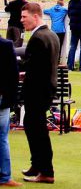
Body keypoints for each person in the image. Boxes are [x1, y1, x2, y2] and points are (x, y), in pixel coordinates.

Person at [19, 1, 59, 183]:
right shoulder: (51, 35)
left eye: (24, 17)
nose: (21, 20)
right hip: (46, 89)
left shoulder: (38, 38)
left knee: (37, 130)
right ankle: (37, 165)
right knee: (34, 127)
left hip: (36, 91)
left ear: (36, 16)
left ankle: (46, 171)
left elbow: (31, 67)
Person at [0, 33, 16, 187]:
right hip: (2, 97)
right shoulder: (6, 45)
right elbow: (13, 75)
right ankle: (5, 176)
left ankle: (5, 176)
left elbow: (12, 75)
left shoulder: (6, 45)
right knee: (2, 138)